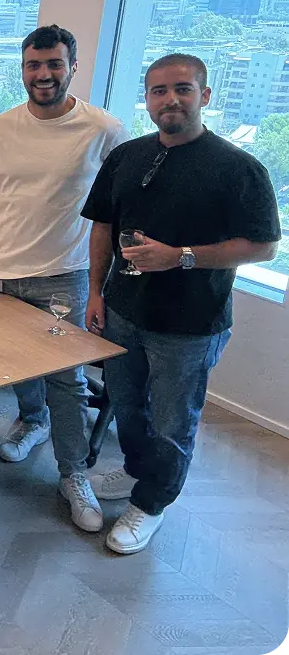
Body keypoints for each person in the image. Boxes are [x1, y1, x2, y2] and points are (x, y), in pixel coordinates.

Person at [82, 54, 280, 554]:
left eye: (183, 89)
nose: (171, 99)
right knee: (127, 406)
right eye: (159, 91)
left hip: (190, 324)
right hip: (124, 310)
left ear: (205, 96)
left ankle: (152, 503)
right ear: (147, 99)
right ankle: (135, 473)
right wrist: (96, 291)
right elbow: (102, 223)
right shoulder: (126, 156)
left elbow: (264, 245)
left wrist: (181, 257)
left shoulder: (239, 169)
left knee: (173, 423)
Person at [0, 24, 131, 533]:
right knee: (13, 365)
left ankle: (74, 474)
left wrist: (106, 279)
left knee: (68, 381)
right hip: (1, 272)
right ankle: (31, 422)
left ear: (72, 66)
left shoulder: (103, 129)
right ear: (22, 69)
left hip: (65, 276)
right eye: (34, 65)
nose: (43, 74)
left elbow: (116, 209)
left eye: (54, 64)